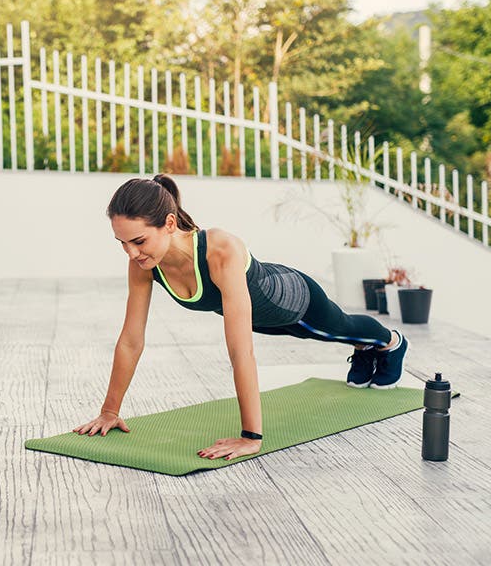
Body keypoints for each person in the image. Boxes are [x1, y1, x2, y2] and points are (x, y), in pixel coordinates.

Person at [73, 175, 408, 461]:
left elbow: (240, 351)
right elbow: (132, 340)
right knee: (334, 334)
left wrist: (251, 436)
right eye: (122, 243)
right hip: (256, 315)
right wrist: (109, 411)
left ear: (169, 224)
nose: (131, 253)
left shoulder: (220, 249)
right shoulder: (143, 265)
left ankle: (391, 343)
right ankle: (366, 352)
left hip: (292, 301)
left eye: (138, 241)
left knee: (337, 329)